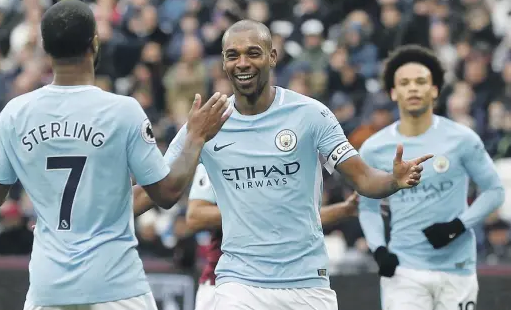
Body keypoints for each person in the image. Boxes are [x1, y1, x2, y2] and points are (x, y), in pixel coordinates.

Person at [163, 19, 433, 310]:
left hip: (306, 283)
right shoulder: (207, 122)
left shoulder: (311, 114)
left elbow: (364, 178)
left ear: (272, 57)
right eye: (233, 55)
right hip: (238, 284)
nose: (242, 63)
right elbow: (162, 188)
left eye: (253, 53)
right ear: (224, 63)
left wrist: (393, 181)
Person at [0, 0, 231, 310]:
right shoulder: (121, 111)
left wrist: (2, 153)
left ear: (45, 47)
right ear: (94, 44)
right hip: (116, 287)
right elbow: (166, 193)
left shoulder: (15, 114)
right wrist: (195, 137)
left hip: (49, 289)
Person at [358, 45, 505, 310]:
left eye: (421, 81)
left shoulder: (462, 139)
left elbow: (495, 191)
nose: (413, 88)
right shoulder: (374, 148)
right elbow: (367, 206)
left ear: (434, 90)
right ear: (393, 92)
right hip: (404, 270)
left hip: (457, 267)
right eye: (404, 83)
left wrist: (457, 226)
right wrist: (379, 249)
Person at [185, 164, 360, 310]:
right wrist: (259, 210)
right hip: (227, 283)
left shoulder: (284, 155)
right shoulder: (218, 151)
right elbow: (195, 216)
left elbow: (296, 218)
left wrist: (345, 209)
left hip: (287, 282)